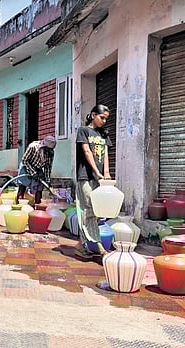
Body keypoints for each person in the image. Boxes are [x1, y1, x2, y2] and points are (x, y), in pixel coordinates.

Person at [74, 104, 112, 259]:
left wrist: (107, 173)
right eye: (101, 117)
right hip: (86, 176)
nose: (104, 121)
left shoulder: (104, 134)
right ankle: (99, 246)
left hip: (100, 179)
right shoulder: (83, 131)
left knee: (96, 212)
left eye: (106, 119)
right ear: (93, 115)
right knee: (87, 209)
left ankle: (81, 245)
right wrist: (97, 172)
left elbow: (106, 154)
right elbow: (86, 151)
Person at [16, 135, 57, 205]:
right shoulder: (33, 147)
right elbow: (24, 160)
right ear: (44, 146)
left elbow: (48, 167)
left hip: (38, 168)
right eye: (48, 149)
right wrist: (33, 173)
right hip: (26, 166)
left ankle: (37, 206)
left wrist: (48, 181)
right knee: (22, 186)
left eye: (51, 149)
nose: (50, 151)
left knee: (39, 187)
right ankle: (18, 205)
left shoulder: (50, 153)